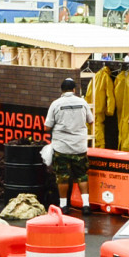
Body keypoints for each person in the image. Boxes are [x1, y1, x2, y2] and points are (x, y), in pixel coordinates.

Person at [44, 75, 93, 210]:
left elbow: (47, 127)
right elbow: (90, 120)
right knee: (82, 175)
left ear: (62, 90)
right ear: (74, 90)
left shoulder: (56, 104)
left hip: (62, 147)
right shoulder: (82, 102)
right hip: (79, 146)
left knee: (62, 177)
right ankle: (86, 205)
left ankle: (64, 205)